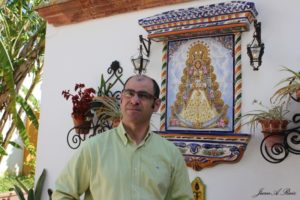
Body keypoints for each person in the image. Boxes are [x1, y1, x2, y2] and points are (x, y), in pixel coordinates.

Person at [52, 75, 193, 200]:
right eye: (129, 93)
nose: (134, 100)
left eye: (143, 95)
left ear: (156, 105)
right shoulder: (94, 148)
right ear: (121, 98)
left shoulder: (171, 154)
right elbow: (63, 193)